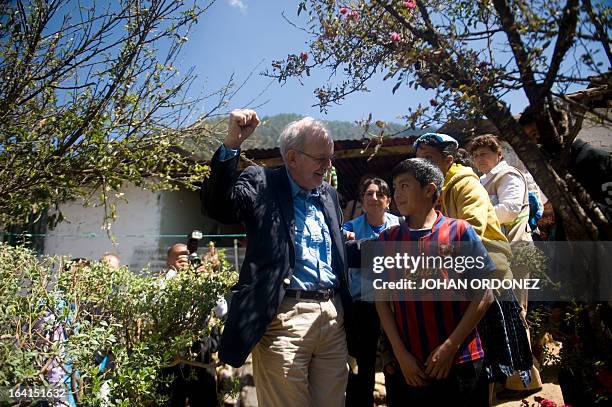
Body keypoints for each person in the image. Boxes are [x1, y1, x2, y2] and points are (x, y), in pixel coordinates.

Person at [202, 109, 354, 407]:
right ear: (292, 158)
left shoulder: (329, 196)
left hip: (333, 317)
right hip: (284, 318)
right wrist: (233, 143)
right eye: (320, 158)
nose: (328, 165)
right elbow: (220, 206)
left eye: (330, 157)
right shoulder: (263, 183)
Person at [414, 132, 534, 401]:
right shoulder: (435, 189)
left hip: (485, 272)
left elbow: (472, 230)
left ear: (447, 160)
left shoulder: (465, 184)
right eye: (419, 159)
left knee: (488, 354)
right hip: (456, 275)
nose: (422, 165)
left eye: (429, 159)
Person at [375, 158, 495, 406]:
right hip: (410, 368)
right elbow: (381, 300)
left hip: (461, 361)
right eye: (395, 187)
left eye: (405, 186)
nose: (396, 194)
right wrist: (400, 354)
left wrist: (451, 346)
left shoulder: (459, 232)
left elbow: (485, 294)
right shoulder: (387, 239)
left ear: (429, 190)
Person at [468, 134, 544, 396]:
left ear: (498, 154)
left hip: (515, 250)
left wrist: (478, 214)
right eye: (476, 156)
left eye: (485, 154)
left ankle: (525, 379)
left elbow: (510, 209)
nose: (480, 160)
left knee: (516, 311)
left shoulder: (508, 175)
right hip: (499, 253)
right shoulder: (483, 180)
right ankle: (511, 374)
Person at [343, 177, 400, 407]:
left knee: (395, 358)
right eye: (368, 194)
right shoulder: (349, 228)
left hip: (395, 303)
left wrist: (364, 249)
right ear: (362, 200)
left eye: (379, 194)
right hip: (363, 304)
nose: (374, 198)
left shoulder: (401, 226)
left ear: (388, 200)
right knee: (362, 362)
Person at [161, 243, 220, 407]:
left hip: (200, 347)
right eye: (177, 255)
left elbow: (222, 310)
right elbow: (158, 302)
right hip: (172, 346)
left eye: (186, 255)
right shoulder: (162, 282)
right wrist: (175, 275)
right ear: (169, 261)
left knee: (204, 398)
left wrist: (208, 281)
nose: (183, 258)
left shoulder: (200, 280)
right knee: (172, 398)